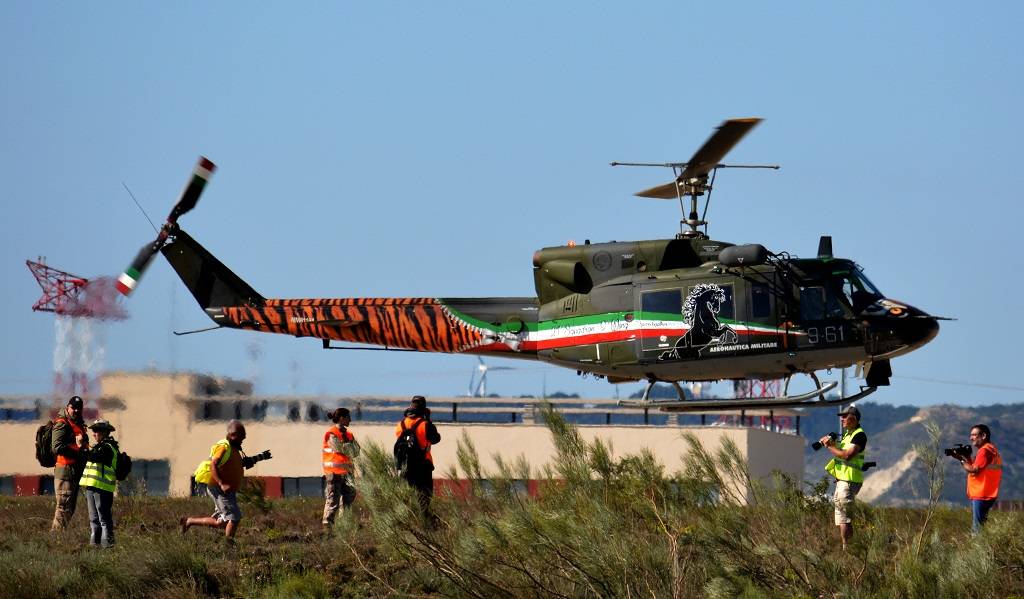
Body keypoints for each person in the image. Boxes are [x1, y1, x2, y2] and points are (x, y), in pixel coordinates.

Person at [181, 420, 269, 539]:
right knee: (234, 517)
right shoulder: (224, 447)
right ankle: (228, 545)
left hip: (228, 490)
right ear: (233, 435)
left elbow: (239, 464)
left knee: (221, 522)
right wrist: (221, 483)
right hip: (220, 489)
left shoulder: (234, 449)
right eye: (242, 437)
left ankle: (189, 521)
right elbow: (213, 464)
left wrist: (260, 457)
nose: (243, 439)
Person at [820, 405, 867, 551]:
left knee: (845, 518)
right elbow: (842, 455)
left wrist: (829, 447)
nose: (842, 419)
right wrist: (833, 444)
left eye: (845, 416)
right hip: (843, 480)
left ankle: (848, 549)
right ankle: (848, 547)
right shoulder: (848, 435)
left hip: (849, 481)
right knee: (842, 518)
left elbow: (847, 455)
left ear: (853, 418)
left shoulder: (859, 435)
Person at [395, 395, 441, 519]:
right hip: (423, 465)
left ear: (410, 407)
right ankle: (424, 520)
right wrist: (428, 420)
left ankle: (405, 519)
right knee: (424, 495)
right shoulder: (425, 424)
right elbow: (436, 438)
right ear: (423, 408)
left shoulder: (400, 425)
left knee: (406, 495)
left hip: (405, 465)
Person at [51, 395, 89, 531]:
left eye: (79, 408)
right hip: (65, 470)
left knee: (69, 508)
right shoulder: (62, 423)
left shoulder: (78, 423)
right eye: (73, 408)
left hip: (74, 471)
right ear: (68, 407)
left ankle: (60, 538)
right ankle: (55, 540)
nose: (76, 411)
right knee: (63, 507)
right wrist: (77, 451)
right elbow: (56, 447)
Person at [80, 419, 120, 548]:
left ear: (104, 432)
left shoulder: (109, 447)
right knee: (94, 519)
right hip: (92, 487)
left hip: (102, 488)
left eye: (96, 431)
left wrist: (83, 447)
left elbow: (95, 457)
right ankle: (94, 546)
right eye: (93, 431)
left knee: (103, 519)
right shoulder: (99, 447)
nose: (94, 434)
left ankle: (107, 546)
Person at [957, 424, 1002, 532]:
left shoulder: (984, 451)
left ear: (983, 436)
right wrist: (967, 457)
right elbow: (978, 467)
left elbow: (974, 470)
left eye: (974, 435)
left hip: (981, 495)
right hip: (988, 493)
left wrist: (960, 459)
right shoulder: (992, 449)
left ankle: (977, 548)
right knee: (982, 527)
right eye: (970, 435)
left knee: (977, 530)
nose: (971, 438)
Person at [322, 407, 360, 529]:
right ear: (342, 418)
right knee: (333, 501)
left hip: (347, 473)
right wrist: (349, 447)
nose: (350, 419)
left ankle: (345, 526)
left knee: (348, 500)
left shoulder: (349, 434)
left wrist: (348, 448)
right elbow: (340, 448)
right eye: (348, 417)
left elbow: (357, 451)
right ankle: (327, 527)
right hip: (334, 473)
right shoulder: (331, 433)